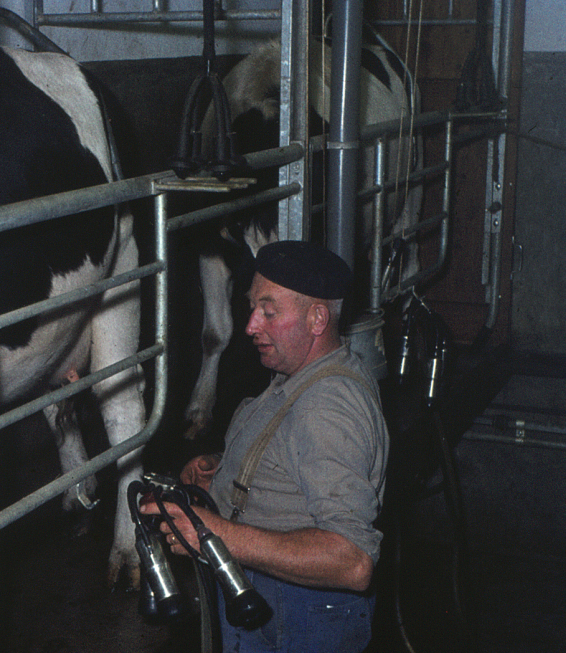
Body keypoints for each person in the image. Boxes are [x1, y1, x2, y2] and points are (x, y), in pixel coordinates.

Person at [141, 240, 389, 653]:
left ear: (317, 319)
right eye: (252, 307)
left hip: (301, 612)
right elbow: (300, 457)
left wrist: (210, 533)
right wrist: (225, 468)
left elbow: (353, 560)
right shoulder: (302, 373)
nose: (251, 325)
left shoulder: (328, 407)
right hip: (269, 594)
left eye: (269, 312)